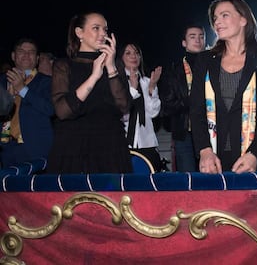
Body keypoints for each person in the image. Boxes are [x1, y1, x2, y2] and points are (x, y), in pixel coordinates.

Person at [190, 0, 257, 174]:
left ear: (243, 19)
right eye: (215, 18)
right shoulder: (204, 60)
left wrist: (254, 154)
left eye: (224, 15)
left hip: (253, 159)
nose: (218, 22)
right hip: (213, 160)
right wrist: (205, 151)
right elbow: (196, 110)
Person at [47, 11, 133, 174]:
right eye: (96, 28)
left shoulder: (115, 65)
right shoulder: (64, 65)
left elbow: (124, 106)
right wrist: (94, 77)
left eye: (105, 30)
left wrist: (111, 67)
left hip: (111, 146)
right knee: (75, 199)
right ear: (79, 32)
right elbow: (62, 111)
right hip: (74, 147)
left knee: (110, 198)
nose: (102, 34)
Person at [0, 38, 54, 168]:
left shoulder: (47, 82)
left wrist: (23, 90)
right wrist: (10, 97)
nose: (26, 55)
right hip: (5, 148)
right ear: (13, 56)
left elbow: (51, 109)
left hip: (35, 149)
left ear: (37, 58)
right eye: (21, 51)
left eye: (31, 52)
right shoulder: (1, 81)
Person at [162, 23, 206, 172]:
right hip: (184, 133)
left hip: (211, 131)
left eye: (201, 36)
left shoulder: (214, 65)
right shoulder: (175, 70)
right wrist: (191, 101)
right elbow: (167, 105)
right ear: (184, 43)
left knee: (210, 178)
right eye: (192, 37)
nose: (197, 40)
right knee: (188, 179)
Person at [118, 42, 163, 172]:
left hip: (146, 140)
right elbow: (122, 113)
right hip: (122, 141)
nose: (133, 56)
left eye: (136, 53)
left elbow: (153, 112)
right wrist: (132, 88)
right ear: (121, 57)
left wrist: (152, 88)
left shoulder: (147, 81)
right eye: (128, 53)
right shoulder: (116, 83)